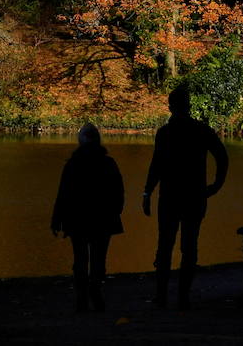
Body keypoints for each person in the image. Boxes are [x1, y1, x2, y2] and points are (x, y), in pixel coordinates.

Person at [142, 84, 228, 309]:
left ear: (170, 107)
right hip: (194, 196)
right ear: (189, 106)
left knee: (165, 245)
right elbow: (222, 157)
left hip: (170, 197)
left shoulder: (165, 133)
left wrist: (147, 192)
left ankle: (162, 297)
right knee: (189, 246)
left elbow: (156, 165)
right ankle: (183, 297)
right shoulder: (201, 130)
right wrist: (216, 184)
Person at [51, 122, 124, 312]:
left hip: (78, 220)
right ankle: (95, 289)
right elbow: (119, 192)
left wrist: (56, 219)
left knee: (80, 259)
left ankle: (82, 296)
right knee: (99, 259)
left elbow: (63, 193)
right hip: (103, 219)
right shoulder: (108, 163)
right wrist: (116, 212)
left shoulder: (72, 164)